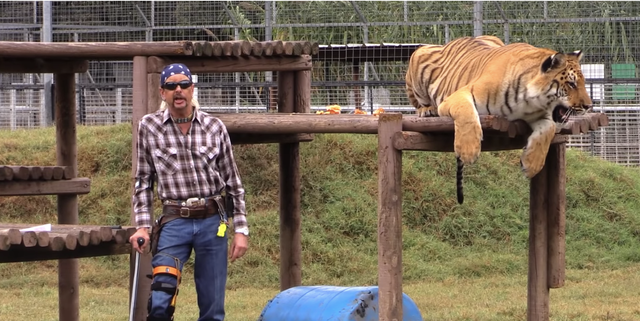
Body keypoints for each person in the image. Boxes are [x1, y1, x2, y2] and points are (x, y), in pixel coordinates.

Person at [129, 63, 249, 321]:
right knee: (161, 299)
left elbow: (233, 183)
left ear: (192, 89)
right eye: (171, 86)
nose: (178, 90)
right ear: (163, 92)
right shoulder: (148, 127)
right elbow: (142, 181)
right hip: (174, 221)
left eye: (184, 84)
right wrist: (142, 226)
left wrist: (241, 230)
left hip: (212, 222)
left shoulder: (214, 127)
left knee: (212, 308)